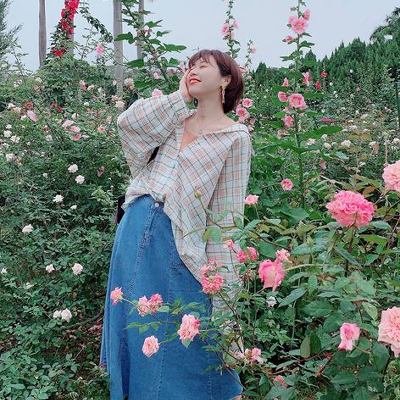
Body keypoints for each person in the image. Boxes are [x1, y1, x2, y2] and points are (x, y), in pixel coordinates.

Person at [99, 49, 252, 400]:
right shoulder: (172, 118)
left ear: (226, 79)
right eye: (190, 65)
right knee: (136, 327)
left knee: (188, 328)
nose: (193, 69)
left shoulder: (235, 137)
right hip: (134, 229)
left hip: (180, 242)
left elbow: (227, 216)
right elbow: (127, 125)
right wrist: (180, 96)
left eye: (203, 65)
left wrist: (224, 287)